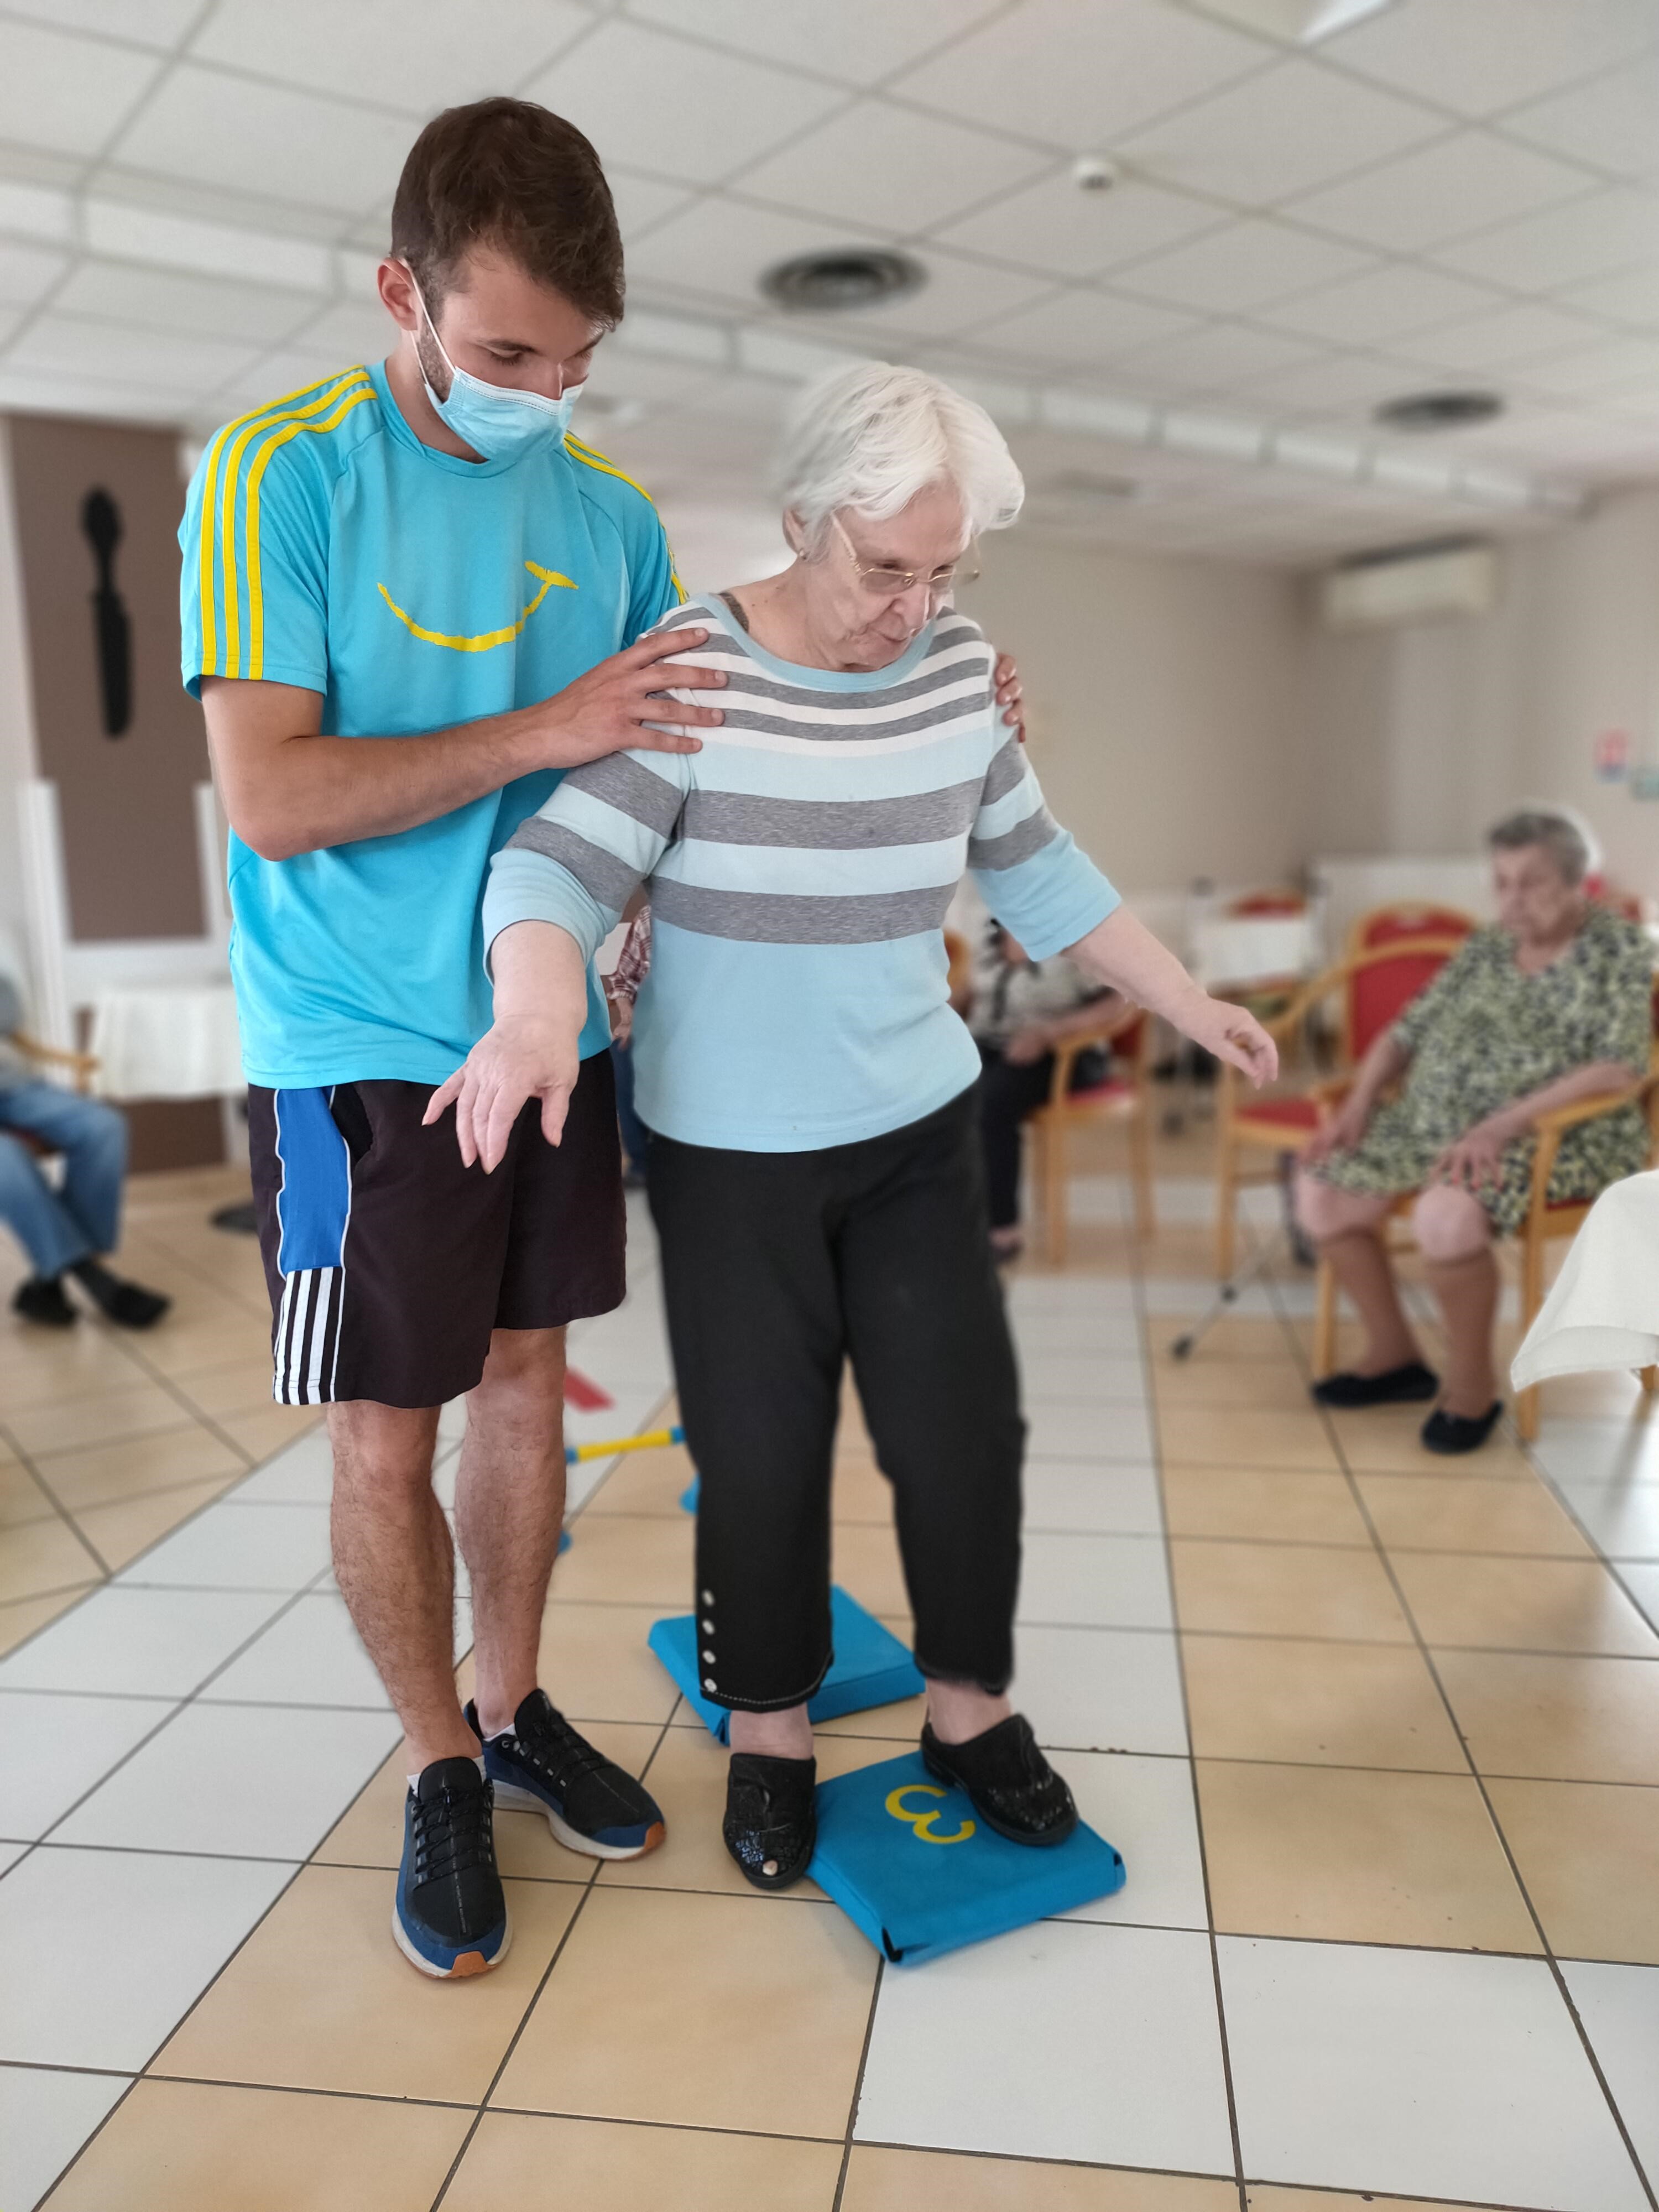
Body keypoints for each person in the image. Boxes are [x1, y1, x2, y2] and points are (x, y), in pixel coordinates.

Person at [429, 361, 1277, 1891]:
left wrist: (1183, 999)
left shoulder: (958, 671)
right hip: (728, 1147)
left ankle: (971, 1712)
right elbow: (551, 873)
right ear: (802, 517)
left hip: (915, 1127)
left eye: (947, 571)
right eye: (888, 568)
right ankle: (770, 1733)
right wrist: (537, 1014)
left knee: (963, 1436)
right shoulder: (691, 668)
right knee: (761, 1455)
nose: (916, 605)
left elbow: (1039, 867)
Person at [1296, 809, 1652, 1454]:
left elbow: (1618, 1064)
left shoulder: (1620, 949)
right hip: (1436, 1124)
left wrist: (1502, 1123)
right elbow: (1404, 1032)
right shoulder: (1486, 945)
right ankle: (1395, 1357)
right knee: (1320, 1194)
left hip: (1557, 1136)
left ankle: (1470, 1390)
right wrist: (1358, 1101)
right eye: (1502, 882)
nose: (1512, 899)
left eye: (1532, 883)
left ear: (1578, 882)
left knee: (1446, 1216)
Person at [0, 974, 170, 1330]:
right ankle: (95, 1279)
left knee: (103, 1128)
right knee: (8, 1160)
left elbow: (8, 1018)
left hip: (13, 1087)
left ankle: (48, 1282)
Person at [966, 923, 1124, 1260]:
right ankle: (951, 1218)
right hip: (992, 1043)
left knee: (991, 1103)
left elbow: (1118, 1002)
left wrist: (1050, 1033)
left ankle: (1002, 1230)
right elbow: (973, 992)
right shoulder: (990, 931)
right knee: (940, 1095)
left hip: (1064, 1052)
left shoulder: (1075, 932)